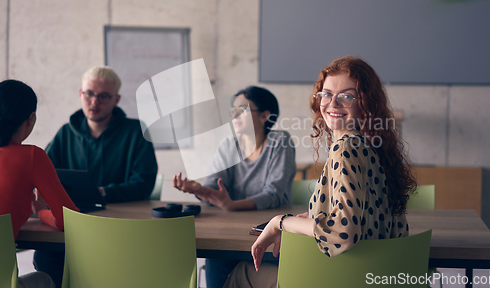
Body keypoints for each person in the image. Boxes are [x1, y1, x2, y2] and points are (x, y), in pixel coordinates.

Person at [223, 56, 417, 288]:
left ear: (366, 102)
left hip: (343, 278)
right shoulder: (373, 147)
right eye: (326, 94)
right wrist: (316, 216)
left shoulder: (346, 149)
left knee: (241, 272)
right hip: (377, 277)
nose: (332, 104)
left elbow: (343, 233)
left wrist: (280, 222)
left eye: (346, 96)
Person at [33, 66, 158, 288]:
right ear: (80, 94)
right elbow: (43, 176)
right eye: (89, 94)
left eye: (103, 96)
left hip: (121, 228)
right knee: (46, 257)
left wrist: (104, 192)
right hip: (72, 224)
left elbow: (143, 184)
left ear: (116, 99)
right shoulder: (65, 133)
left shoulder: (136, 132)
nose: (94, 102)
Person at [173, 86, 296, 288]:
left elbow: (273, 194)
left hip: (270, 232)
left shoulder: (280, 141)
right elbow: (214, 186)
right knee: (215, 260)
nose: (235, 115)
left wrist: (232, 205)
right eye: (233, 110)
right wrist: (199, 190)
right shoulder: (228, 145)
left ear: (265, 116)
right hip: (231, 229)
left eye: (243, 109)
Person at [0, 79, 79, 288]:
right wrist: (41, 211)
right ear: (31, 118)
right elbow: (70, 220)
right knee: (45, 278)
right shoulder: (31, 156)